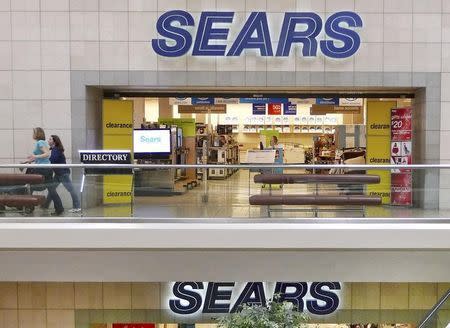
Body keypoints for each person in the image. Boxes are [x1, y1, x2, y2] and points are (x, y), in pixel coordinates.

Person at [26, 128, 64, 216]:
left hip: (42, 169)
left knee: (29, 187)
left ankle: (29, 207)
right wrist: (28, 160)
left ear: (37, 134)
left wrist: (34, 156)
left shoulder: (40, 142)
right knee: (51, 190)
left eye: (34, 132)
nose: (33, 134)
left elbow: (47, 154)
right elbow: (42, 157)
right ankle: (59, 209)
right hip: (46, 169)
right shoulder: (43, 142)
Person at [42, 135, 80, 213]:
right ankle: (45, 205)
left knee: (71, 189)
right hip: (58, 174)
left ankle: (77, 206)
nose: (48, 141)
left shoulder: (56, 150)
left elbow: (53, 159)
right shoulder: (54, 149)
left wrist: (46, 156)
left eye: (50, 139)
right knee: (51, 189)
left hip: (63, 173)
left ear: (54, 141)